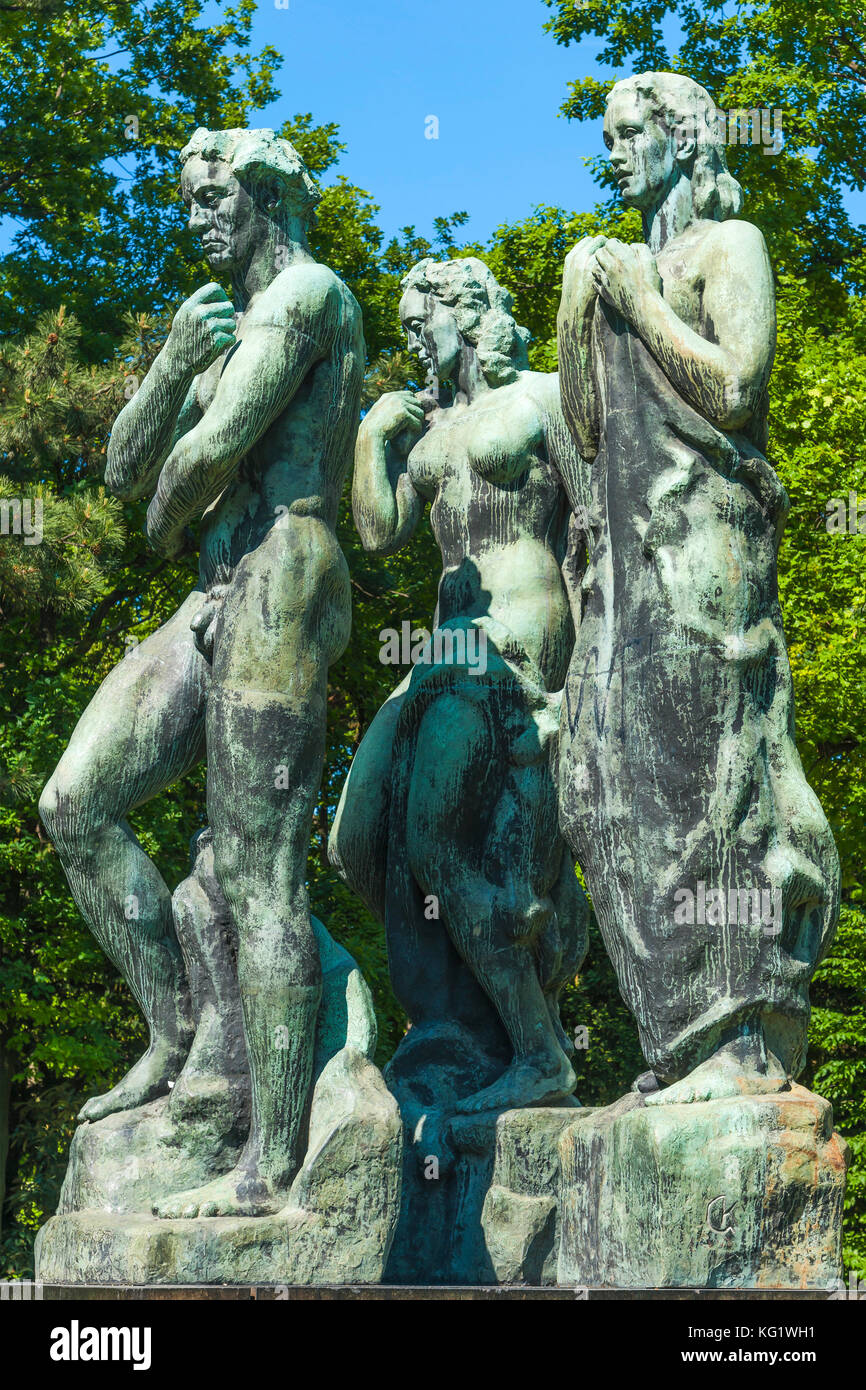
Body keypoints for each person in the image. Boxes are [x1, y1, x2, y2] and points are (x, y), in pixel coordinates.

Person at [39, 127, 364, 1216]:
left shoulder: (308, 294)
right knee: (74, 801)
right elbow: (130, 468)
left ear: (265, 192)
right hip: (215, 584)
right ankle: (173, 1030)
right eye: (185, 200)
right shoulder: (219, 327)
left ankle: (270, 1165)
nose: (193, 218)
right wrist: (174, 359)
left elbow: (203, 459)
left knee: (261, 870)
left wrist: (174, 499)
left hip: (284, 565)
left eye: (212, 196)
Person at [556, 73, 839, 1104]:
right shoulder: (619, 263)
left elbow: (735, 384)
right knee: (605, 790)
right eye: (606, 136)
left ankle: (739, 1038)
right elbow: (585, 430)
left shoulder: (731, 247)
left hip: (706, 549)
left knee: (714, 789)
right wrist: (578, 304)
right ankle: (676, 1037)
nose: (614, 151)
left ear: (681, 139)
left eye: (629, 133)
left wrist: (634, 301)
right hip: (627, 566)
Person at [330, 256, 588, 1114]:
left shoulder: (545, 394)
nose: (410, 337)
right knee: (355, 834)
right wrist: (372, 437)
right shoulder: (431, 431)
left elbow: (601, 518)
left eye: (418, 319)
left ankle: (536, 1050)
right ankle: (453, 1011)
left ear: (466, 310)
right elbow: (379, 532)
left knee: (440, 842)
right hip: (442, 652)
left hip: (514, 640)